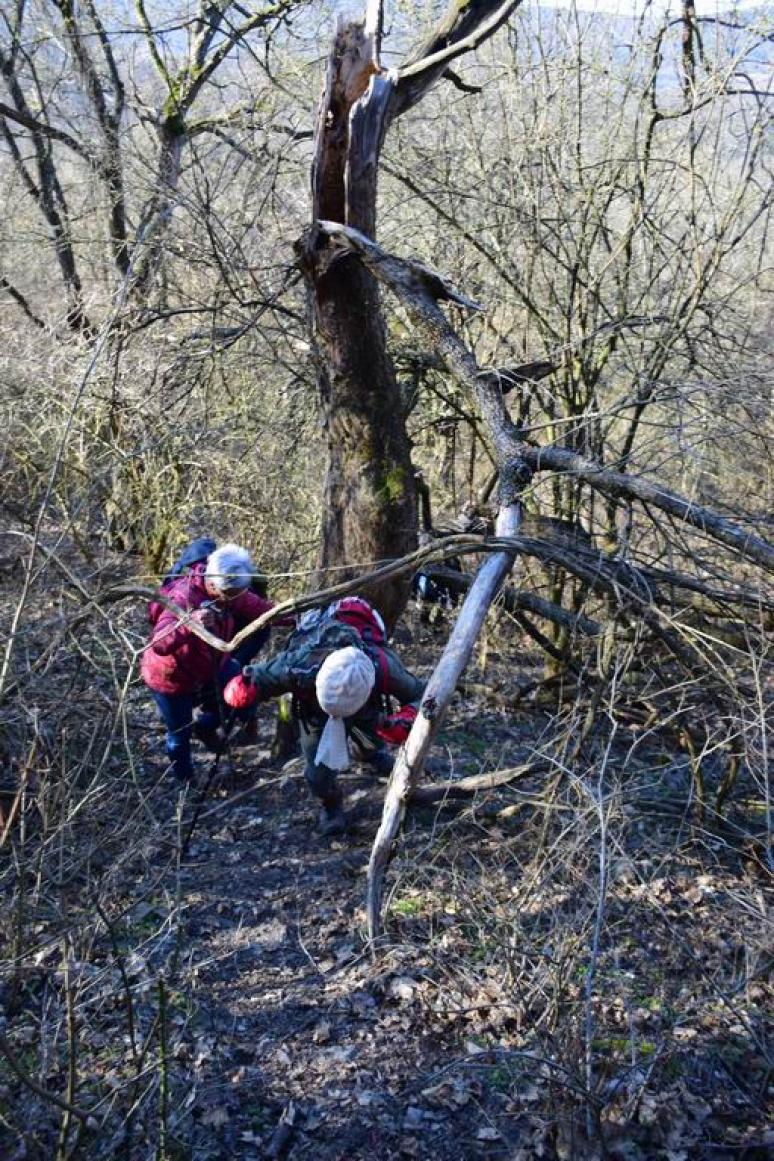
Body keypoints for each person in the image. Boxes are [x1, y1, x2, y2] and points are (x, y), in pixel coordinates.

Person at [223, 597, 425, 835]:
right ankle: (331, 804)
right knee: (318, 774)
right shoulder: (298, 665)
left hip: (366, 711)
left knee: (373, 738)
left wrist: (404, 721)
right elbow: (263, 677)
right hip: (314, 714)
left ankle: (371, 753)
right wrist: (244, 688)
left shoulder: (384, 666)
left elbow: (421, 695)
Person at [141, 543, 278, 782]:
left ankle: (205, 726)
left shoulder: (231, 591)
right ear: (213, 586)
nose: (235, 600)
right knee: (179, 734)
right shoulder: (182, 598)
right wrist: (189, 623)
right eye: (231, 595)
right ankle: (186, 783)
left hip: (213, 663)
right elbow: (159, 644)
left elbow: (260, 608)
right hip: (170, 677)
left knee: (243, 693)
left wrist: (297, 614)